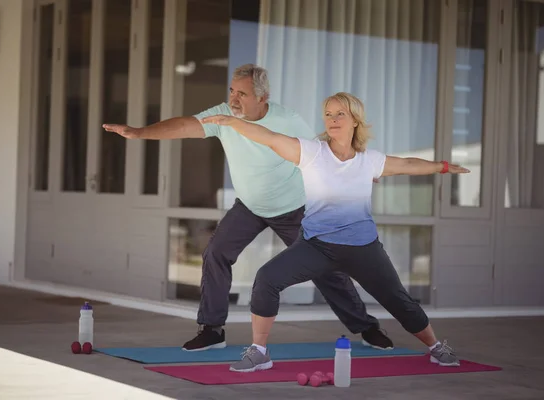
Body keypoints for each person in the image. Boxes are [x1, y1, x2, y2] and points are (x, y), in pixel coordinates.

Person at [103, 64, 393, 352]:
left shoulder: (287, 119)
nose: (234, 98)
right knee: (216, 253)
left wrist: (357, 167)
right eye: (232, 91)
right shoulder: (224, 116)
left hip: (294, 207)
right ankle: (212, 329)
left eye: (242, 93)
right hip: (250, 205)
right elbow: (183, 125)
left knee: (325, 269)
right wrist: (139, 133)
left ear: (262, 97)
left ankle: (367, 327)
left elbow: (324, 148)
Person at [199, 92, 469, 372]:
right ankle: (259, 351)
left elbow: (407, 164)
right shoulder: (312, 153)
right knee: (267, 278)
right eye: (328, 114)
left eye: (340, 113)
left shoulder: (368, 161)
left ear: (355, 120)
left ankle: (436, 347)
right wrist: (232, 122)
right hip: (316, 246)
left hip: (363, 249)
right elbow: (269, 137)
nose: (333, 119)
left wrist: (443, 166)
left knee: (398, 300)